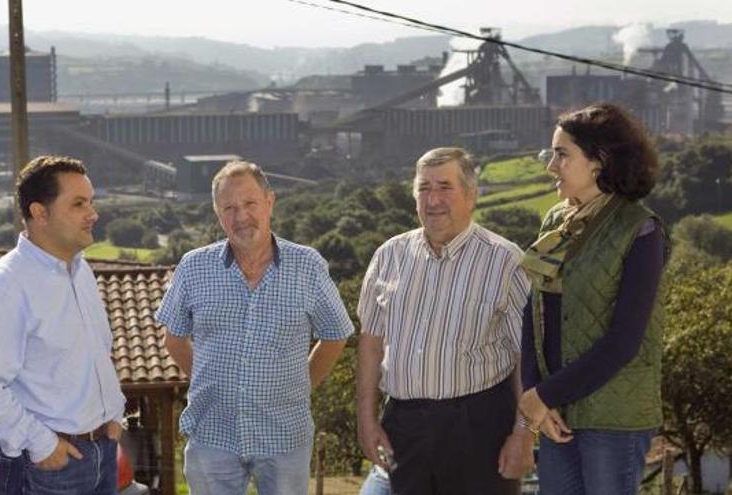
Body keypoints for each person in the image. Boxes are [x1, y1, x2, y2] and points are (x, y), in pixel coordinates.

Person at [156, 160, 354, 495]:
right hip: (212, 434)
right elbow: (173, 340)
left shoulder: (307, 265)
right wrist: (211, 381)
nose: (241, 216)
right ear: (218, 214)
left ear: (269, 201)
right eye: (229, 207)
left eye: (249, 203)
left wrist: (300, 387)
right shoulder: (193, 267)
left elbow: (335, 335)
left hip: (284, 436)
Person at [356, 147, 533, 495]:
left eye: (444, 187)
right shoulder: (388, 256)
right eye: (424, 188)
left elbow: (524, 357)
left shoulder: (505, 260)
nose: (433, 199)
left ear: (471, 195)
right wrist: (366, 419)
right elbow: (371, 345)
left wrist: (523, 434)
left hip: (481, 428)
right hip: (404, 428)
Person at [517, 103, 667, 495]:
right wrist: (533, 395)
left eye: (562, 154)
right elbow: (532, 313)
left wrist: (543, 395)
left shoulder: (640, 230)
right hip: (556, 412)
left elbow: (623, 342)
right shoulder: (555, 222)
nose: (551, 166)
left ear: (600, 161)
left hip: (613, 418)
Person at [0, 155, 126, 495]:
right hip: (45, 470)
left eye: (91, 202)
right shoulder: (4, 286)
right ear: (40, 213)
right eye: (79, 204)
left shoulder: (80, 271)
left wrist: (113, 415)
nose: (93, 214)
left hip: (101, 456)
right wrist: (43, 445)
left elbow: (96, 354)